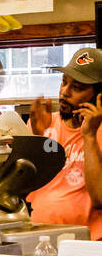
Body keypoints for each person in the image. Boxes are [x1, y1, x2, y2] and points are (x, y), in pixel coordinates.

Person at [27, 47, 102, 240]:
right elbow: (25, 186)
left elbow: (99, 198)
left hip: (86, 244)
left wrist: (89, 135)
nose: (64, 92)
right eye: (64, 82)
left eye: (77, 87)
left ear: (98, 96)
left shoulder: (98, 133)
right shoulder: (44, 123)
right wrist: (37, 138)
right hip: (39, 237)